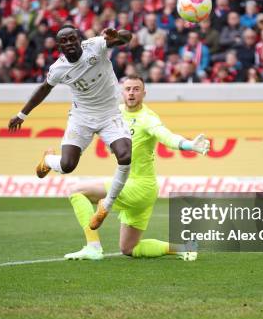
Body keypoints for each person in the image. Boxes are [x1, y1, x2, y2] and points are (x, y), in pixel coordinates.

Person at [64, 75, 210, 260]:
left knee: (77, 191)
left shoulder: (147, 118)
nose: (131, 93)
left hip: (140, 187)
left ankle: (93, 247)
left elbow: (166, 136)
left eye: (136, 89)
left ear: (144, 93)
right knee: (129, 248)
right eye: (128, 89)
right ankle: (183, 247)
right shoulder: (115, 113)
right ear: (121, 92)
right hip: (138, 187)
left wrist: (188, 145)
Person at [8, 25, 132, 229]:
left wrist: (117, 35)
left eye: (72, 39)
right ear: (59, 46)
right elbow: (43, 89)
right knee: (67, 165)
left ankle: (106, 204)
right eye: (63, 41)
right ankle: (48, 160)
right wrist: (22, 114)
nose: (69, 43)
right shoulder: (58, 69)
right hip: (81, 117)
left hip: (109, 115)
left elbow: (128, 38)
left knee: (125, 156)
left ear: (79, 39)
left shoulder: (96, 45)